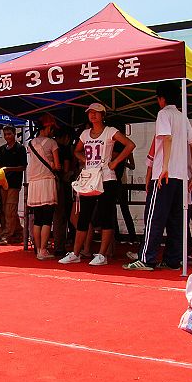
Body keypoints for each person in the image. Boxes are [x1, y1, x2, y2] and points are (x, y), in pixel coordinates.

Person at [123, 81, 192, 271]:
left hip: (165, 174)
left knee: (154, 217)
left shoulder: (164, 114)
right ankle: (173, 259)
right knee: (176, 219)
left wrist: (164, 166)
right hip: (181, 176)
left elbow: (167, 138)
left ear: (161, 99)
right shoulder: (182, 117)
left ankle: (147, 258)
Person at [58, 103, 135, 267]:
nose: (92, 115)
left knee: (106, 216)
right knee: (83, 216)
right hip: (90, 178)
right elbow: (76, 150)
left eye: (96, 112)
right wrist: (86, 160)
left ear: (103, 115)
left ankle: (102, 254)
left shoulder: (110, 131)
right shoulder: (85, 134)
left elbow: (130, 145)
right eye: (90, 113)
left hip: (107, 178)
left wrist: (115, 162)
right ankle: (76, 253)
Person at [26, 114, 61, 260]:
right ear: (48, 127)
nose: (53, 131)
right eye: (52, 128)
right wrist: (53, 165)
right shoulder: (52, 143)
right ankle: (43, 250)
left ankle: (38, 249)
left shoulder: (30, 143)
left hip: (34, 183)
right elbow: (57, 166)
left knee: (38, 218)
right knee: (47, 218)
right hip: (46, 182)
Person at [0, 124, 27, 245]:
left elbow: (23, 167)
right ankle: (20, 232)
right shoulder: (2, 149)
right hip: (3, 182)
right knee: (7, 209)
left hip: (14, 183)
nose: (7, 136)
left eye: (9, 134)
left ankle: (6, 235)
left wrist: (8, 169)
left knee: (10, 209)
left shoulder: (20, 148)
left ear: (14, 134)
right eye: (5, 134)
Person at [52, 125, 76, 258]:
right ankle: (60, 246)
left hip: (48, 184)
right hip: (62, 185)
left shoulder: (49, 146)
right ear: (66, 137)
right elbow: (66, 169)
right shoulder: (64, 149)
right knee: (62, 215)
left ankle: (44, 245)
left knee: (47, 217)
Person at [112, 129, 139, 245]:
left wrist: (122, 161)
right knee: (117, 209)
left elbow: (132, 166)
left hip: (121, 180)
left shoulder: (125, 148)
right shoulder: (115, 146)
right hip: (116, 179)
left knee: (123, 209)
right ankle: (119, 235)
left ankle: (131, 236)